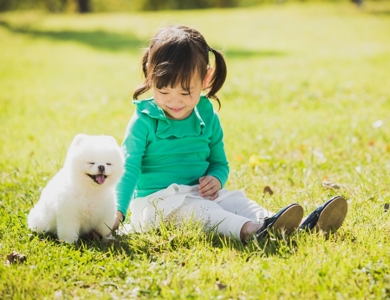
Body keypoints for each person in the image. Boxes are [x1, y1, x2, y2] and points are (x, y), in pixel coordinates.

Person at [112, 25, 348, 242]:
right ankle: (251, 231)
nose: (174, 101)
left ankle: (278, 224)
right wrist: (117, 213)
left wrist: (216, 179)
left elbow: (219, 163)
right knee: (207, 212)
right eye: (163, 91)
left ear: (205, 79)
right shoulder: (144, 120)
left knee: (239, 202)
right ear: (150, 77)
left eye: (185, 93)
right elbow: (128, 168)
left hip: (200, 194)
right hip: (158, 205)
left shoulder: (207, 116)